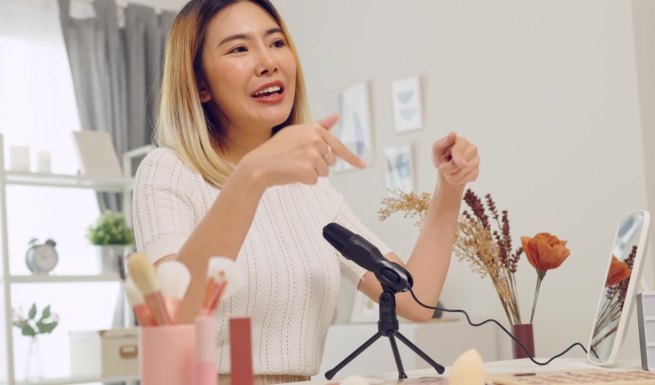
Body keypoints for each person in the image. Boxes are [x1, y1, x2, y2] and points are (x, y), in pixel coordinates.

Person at [132, 0, 480, 384]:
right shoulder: (168, 171)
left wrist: (449, 188)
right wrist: (252, 175)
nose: (268, 62)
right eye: (239, 48)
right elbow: (173, 312)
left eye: (276, 42)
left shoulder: (313, 192)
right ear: (200, 85)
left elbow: (414, 301)